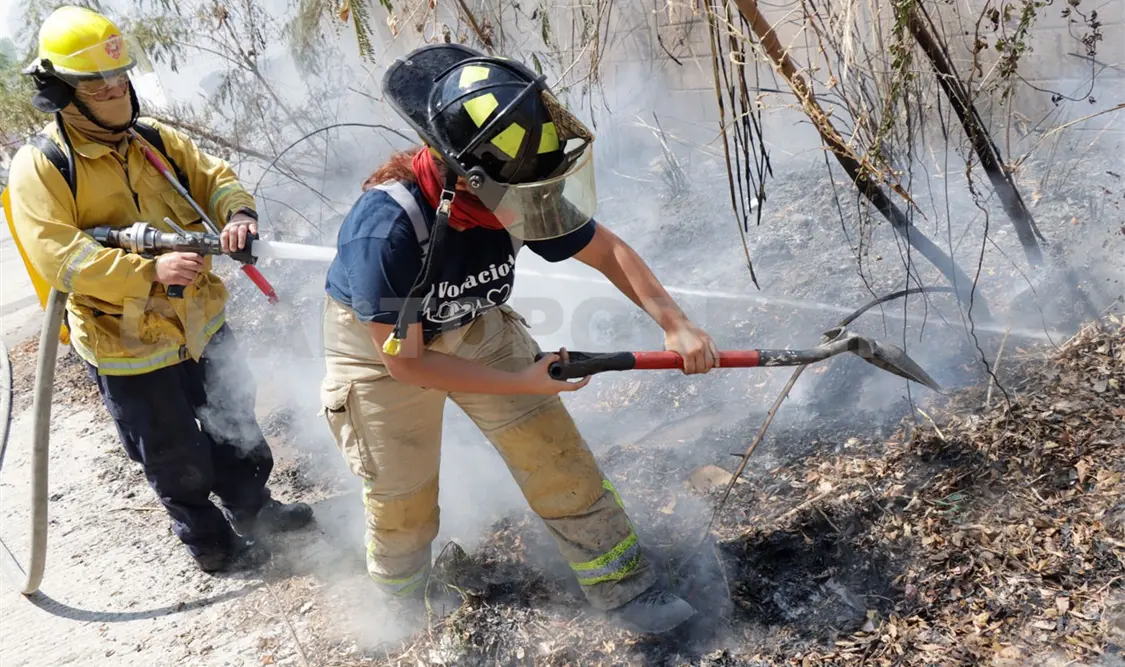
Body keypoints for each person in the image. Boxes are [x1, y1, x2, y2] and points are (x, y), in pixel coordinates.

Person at [319, 43, 721, 634]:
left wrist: (674, 322)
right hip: (382, 359)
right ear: (466, 184)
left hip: (476, 327)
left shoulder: (518, 186)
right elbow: (407, 364)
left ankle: (625, 587)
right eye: (528, 200)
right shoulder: (387, 231)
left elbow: (607, 250)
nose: (541, 208)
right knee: (401, 496)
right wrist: (517, 381)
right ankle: (400, 602)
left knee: (558, 456)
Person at [6, 6, 313, 573]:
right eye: (98, 84)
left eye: (119, 78)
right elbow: (60, 257)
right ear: (61, 92)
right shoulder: (45, 166)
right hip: (129, 343)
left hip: (201, 319)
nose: (114, 90)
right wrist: (148, 273)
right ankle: (213, 546)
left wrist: (237, 213)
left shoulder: (153, 140)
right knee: (173, 452)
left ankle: (257, 510)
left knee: (236, 422)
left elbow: (215, 177)